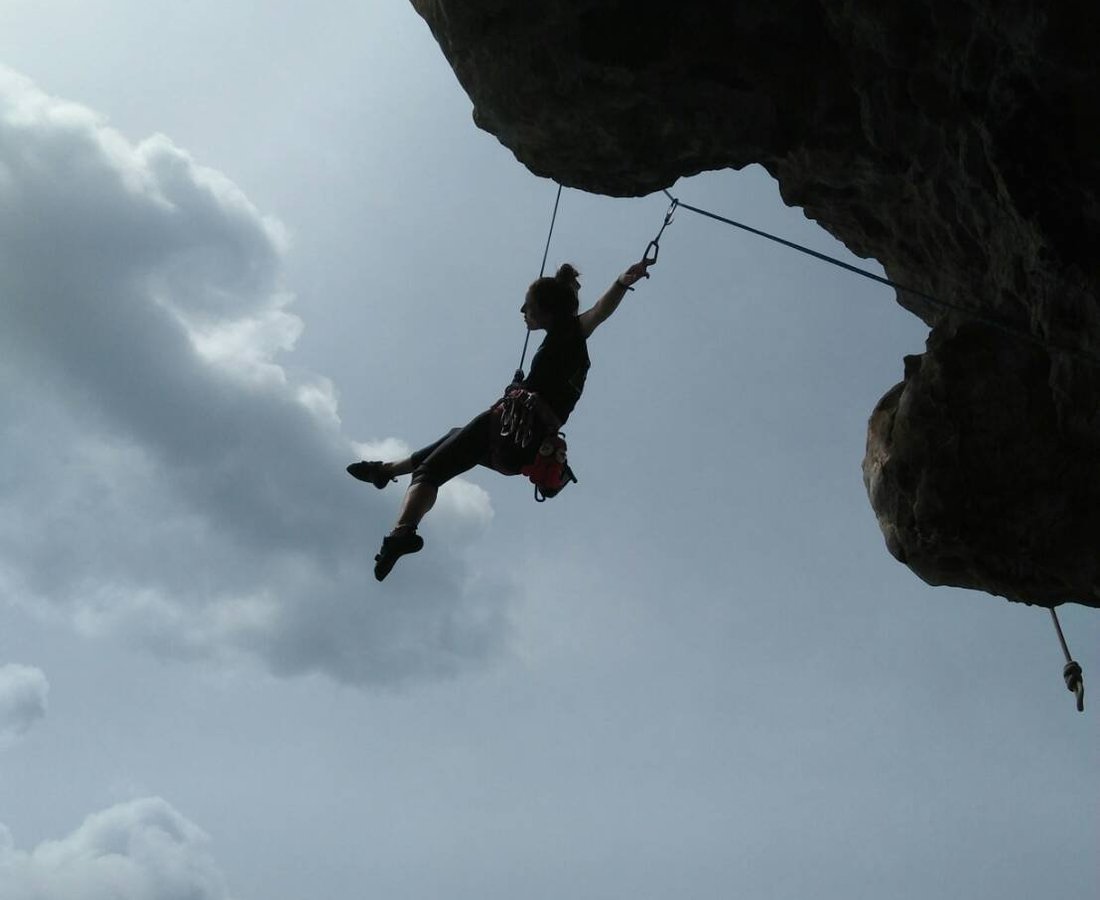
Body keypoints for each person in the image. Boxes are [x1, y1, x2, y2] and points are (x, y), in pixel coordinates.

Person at [348, 256, 653, 580]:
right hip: (519, 453)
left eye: (528, 306)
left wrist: (622, 282)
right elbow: (595, 316)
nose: (522, 312)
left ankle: (402, 533)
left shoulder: (568, 335)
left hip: (506, 429)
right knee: (455, 436)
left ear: (547, 312)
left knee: (429, 472)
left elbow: (598, 311)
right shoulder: (569, 340)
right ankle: (385, 471)